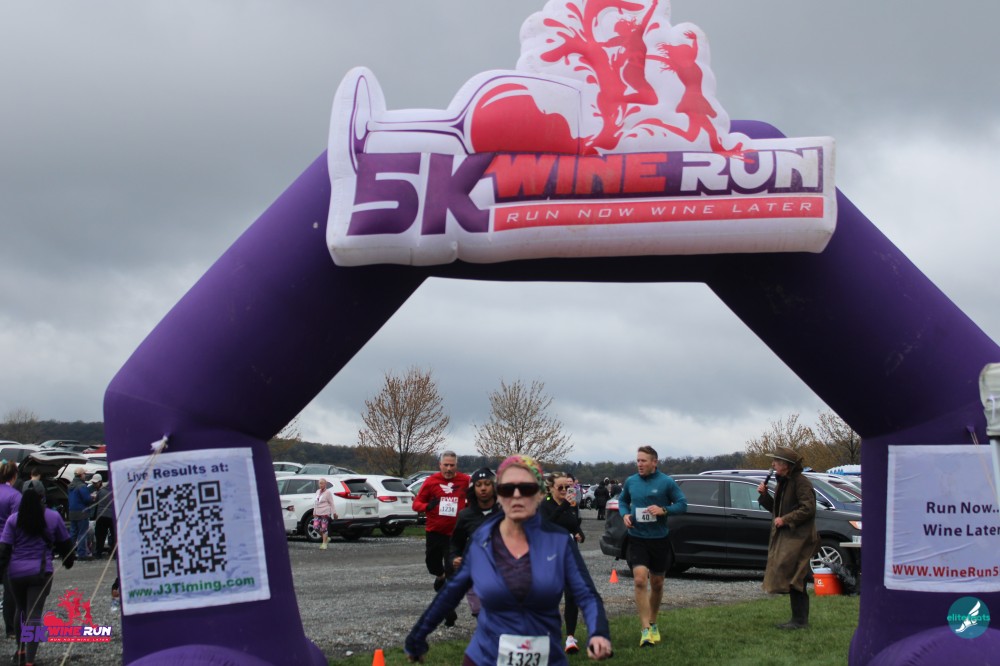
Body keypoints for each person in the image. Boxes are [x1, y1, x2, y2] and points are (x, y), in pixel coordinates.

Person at [405, 455, 613, 664]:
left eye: (526, 488)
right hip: (485, 657)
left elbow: (586, 594)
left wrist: (599, 632)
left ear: (540, 493)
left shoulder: (559, 541)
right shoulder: (483, 540)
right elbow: (451, 593)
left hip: (544, 656)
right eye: (507, 489)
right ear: (499, 495)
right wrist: (418, 635)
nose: (516, 495)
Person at [618, 445, 687, 648]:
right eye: (638, 461)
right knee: (640, 580)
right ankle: (645, 629)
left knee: (657, 583)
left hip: (659, 539)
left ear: (654, 462)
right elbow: (622, 501)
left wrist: (663, 509)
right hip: (637, 538)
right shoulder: (631, 481)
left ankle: (653, 622)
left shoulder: (666, 482)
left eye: (643, 461)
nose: (639, 464)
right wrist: (625, 514)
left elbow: (682, 504)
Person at [0, 487, 75, 666]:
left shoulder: (13, 519)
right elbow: (65, 543)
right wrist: (68, 561)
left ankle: (21, 649)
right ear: (42, 498)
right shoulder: (53, 517)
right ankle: (30, 660)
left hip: (16, 573)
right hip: (40, 572)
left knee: (20, 609)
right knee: (34, 614)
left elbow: (5, 549)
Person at [756, 446, 819, 630]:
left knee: (797, 578)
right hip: (790, 536)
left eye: (776, 461)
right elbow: (776, 511)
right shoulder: (784, 482)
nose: (773, 464)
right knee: (792, 577)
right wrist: (764, 496)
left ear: (786, 465)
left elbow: (808, 509)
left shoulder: (801, 482)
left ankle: (800, 621)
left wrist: (786, 519)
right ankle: (798, 619)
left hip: (800, 538)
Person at [412, 451, 470, 627]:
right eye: (446, 465)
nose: (449, 468)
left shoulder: (465, 481)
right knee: (432, 565)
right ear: (440, 465)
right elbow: (416, 505)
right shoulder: (431, 481)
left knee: (452, 570)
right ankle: (440, 576)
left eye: (452, 465)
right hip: (435, 532)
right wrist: (427, 506)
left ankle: (448, 610)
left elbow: (477, 498)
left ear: (456, 466)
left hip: (455, 535)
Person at [541, 471, 586, 654]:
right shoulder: (545, 505)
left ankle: (570, 637)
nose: (564, 490)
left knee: (572, 595)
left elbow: (575, 525)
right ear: (551, 488)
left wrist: (580, 534)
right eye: (560, 487)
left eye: (568, 487)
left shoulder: (571, 505)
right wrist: (565, 505)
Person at [449, 467, 501, 619]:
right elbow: (455, 543)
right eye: (478, 485)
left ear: (494, 487)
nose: (483, 488)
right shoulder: (466, 515)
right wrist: (454, 558)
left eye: (487, 484)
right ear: (473, 489)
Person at [0, 461, 21, 639]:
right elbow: (16, 523)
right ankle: (11, 629)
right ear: (14, 476)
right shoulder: (15, 496)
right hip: (6, 545)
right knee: (9, 589)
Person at [66, 468, 96, 561]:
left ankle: (69, 554)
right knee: (82, 533)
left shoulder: (70, 486)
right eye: (84, 474)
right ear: (81, 475)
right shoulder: (82, 486)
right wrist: (92, 498)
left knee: (73, 533)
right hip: (82, 513)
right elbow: (87, 499)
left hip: (72, 512)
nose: (85, 475)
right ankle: (82, 554)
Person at [93, 474, 116, 558]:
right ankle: (114, 553)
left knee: (100, 536)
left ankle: (98, 553)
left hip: (101, 516)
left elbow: (96, 502)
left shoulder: (101, 491)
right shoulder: (115, 492)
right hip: (112, 517)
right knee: (114, 535)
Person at [313, 478, 335, 550]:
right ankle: (326, 538)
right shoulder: (317, 491)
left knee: (324, 528)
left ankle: (324, 543)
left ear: (325, 484)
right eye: (320, 483)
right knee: (316, 527)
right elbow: (316, 502)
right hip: (318, 512)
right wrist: (314, 511)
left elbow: (331, 503)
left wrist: (334, 513)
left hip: (325, 512)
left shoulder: (328, 493)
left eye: (322, 483)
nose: (321, 485)